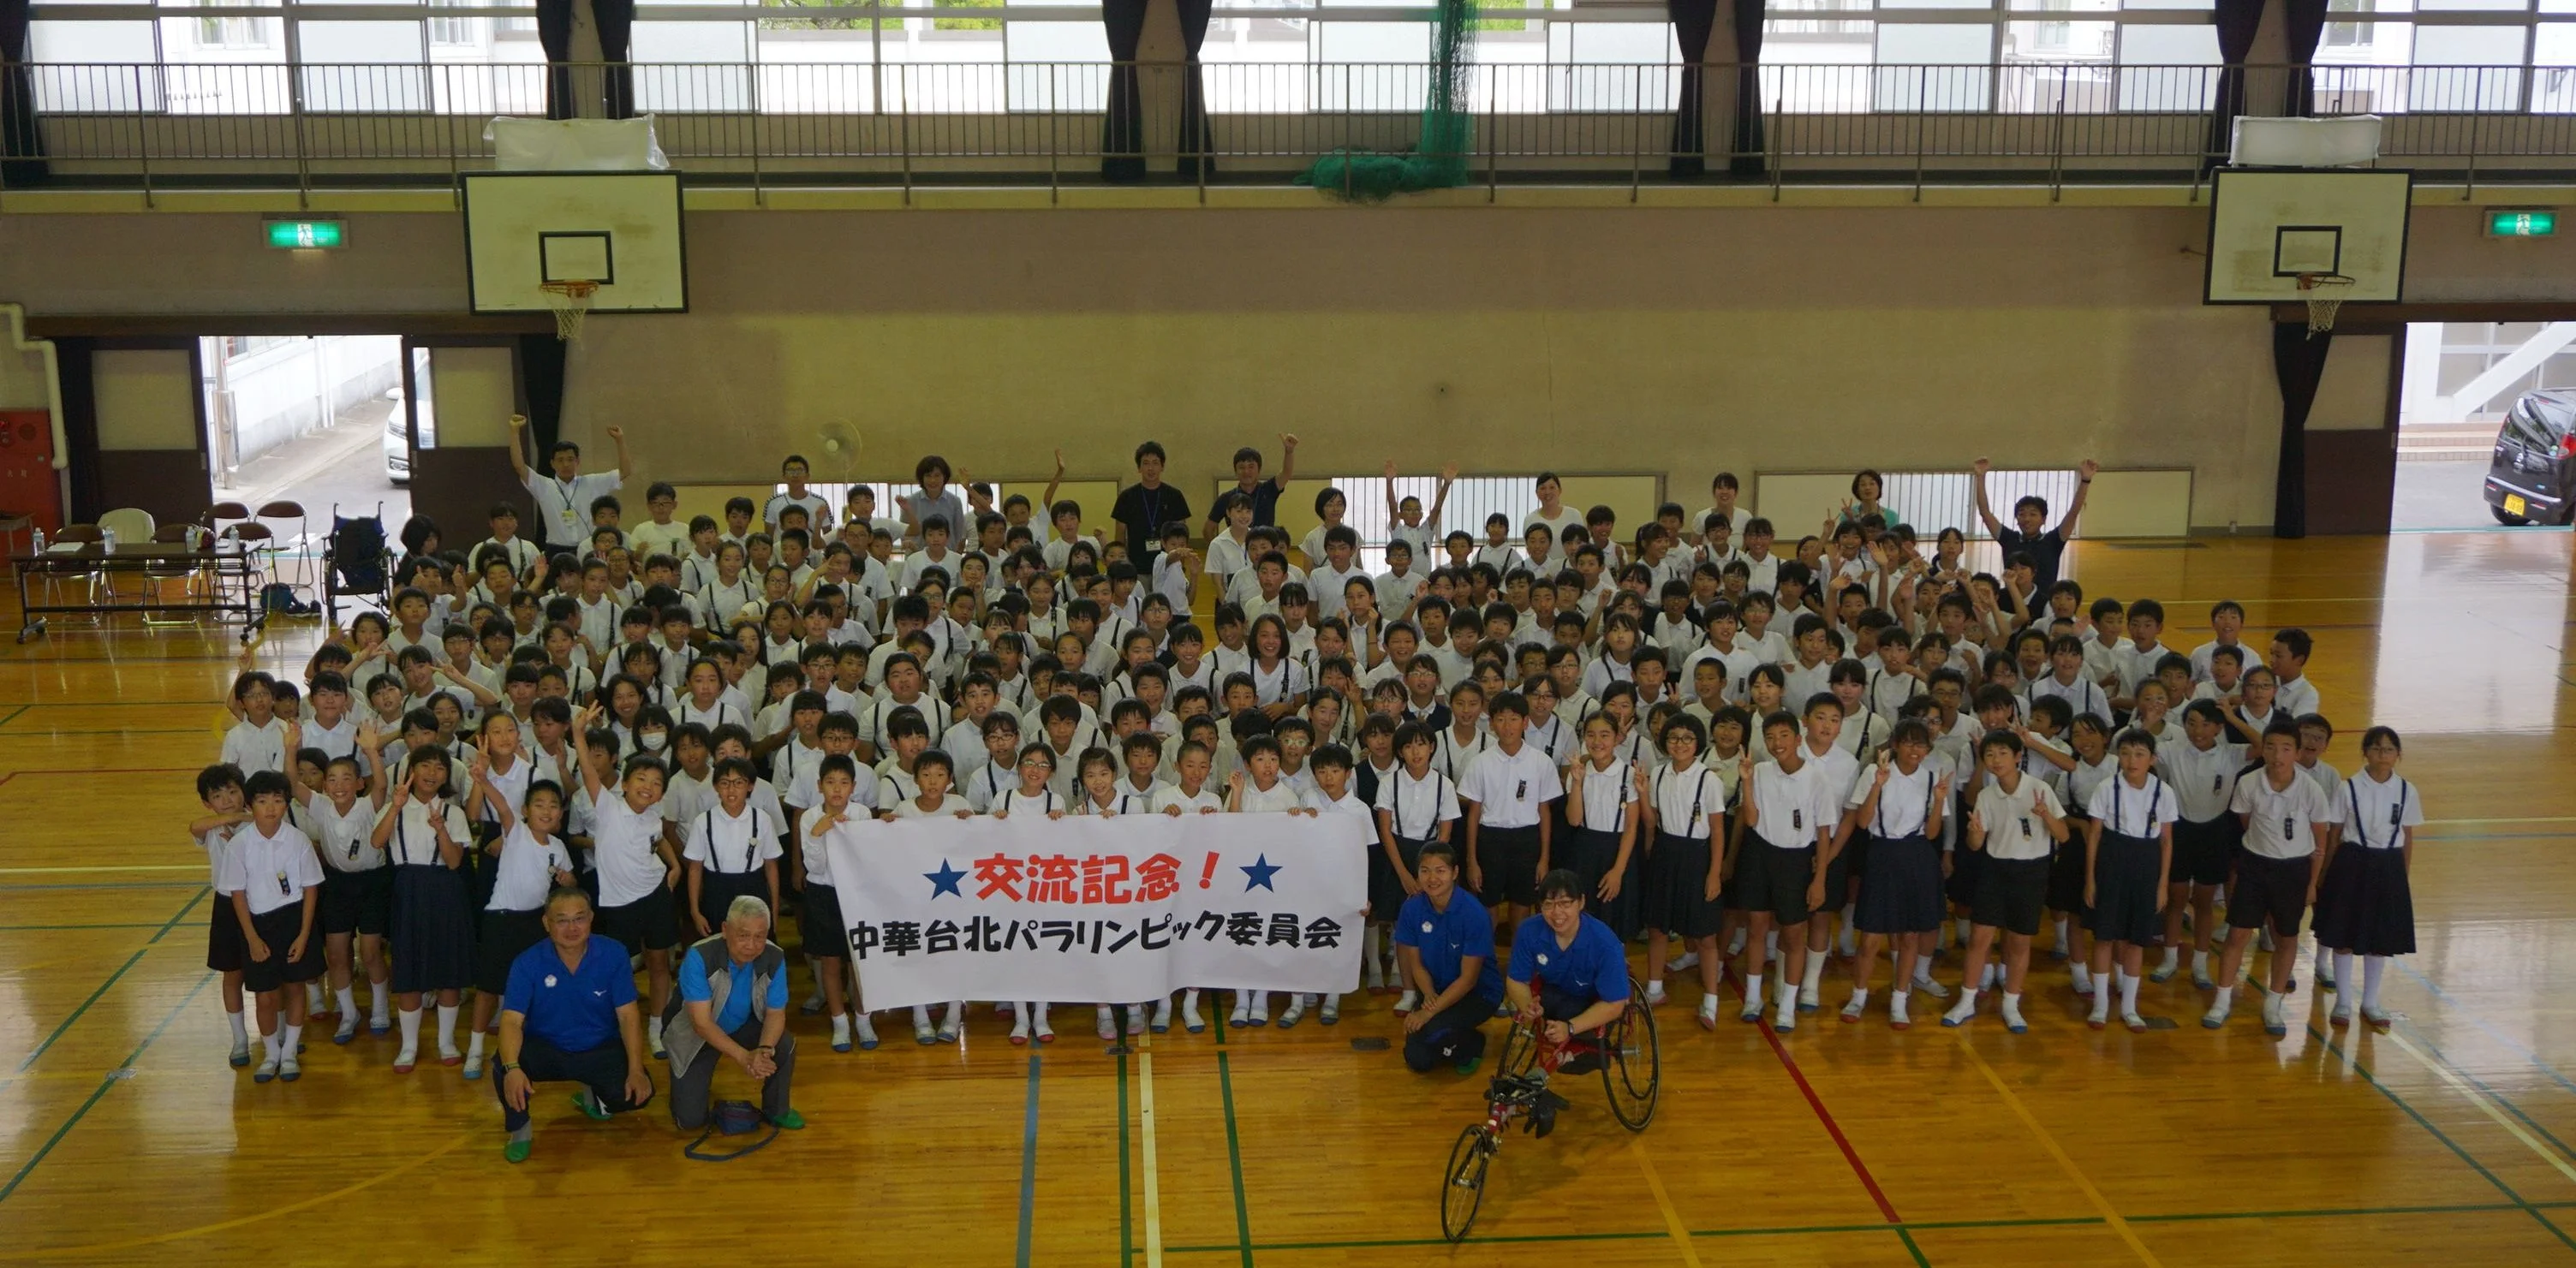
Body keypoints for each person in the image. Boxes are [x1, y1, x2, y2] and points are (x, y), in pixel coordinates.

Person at [494, 887, 657, 1163]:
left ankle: (592, 1093)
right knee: (502, 1065)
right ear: (547, 923)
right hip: (547, 1048)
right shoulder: (527, 962)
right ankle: (520, 1129)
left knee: (638, 1095)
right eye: (562, 920)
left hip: (598, 1047)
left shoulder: (614, 954)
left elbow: (629, 1016)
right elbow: (511, 1021)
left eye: (579, 918)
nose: (572, 928)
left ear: (591, 918)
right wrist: (512, 1068)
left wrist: (636, 1069)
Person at [2206, 719, 2337, 1036]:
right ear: (2262, 749)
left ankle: (2273, 1003)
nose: (2277, 755)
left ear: (2296, 752)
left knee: (2286, 937)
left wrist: (2310, 883)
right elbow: (2246, 820)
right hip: (2255, 866)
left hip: (2293, 871)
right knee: (2238, 934)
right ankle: (2221, 1001)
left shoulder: (2311, 789)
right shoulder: (2249, 783)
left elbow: (2320, 842)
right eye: (2271, 747)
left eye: (2286, 748)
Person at [1502, 869, 1634, 1139]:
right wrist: (1528, 1005)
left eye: (1565, 904)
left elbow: (1615, 1004)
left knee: (1572, 1031)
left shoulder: (1604, 942)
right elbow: (1516, 980)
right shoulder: (1530, 930)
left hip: (1591, 1005)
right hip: (1554, 996)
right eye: (1548, 905)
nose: (1556, 913)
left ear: (1581, 903)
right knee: (1552, 1012)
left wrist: (1570, 1028)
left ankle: (1566, 1058)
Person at [667, 896, 807, 1134]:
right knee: (689, 1121)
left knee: (783, 1044)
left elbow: (775, 1013)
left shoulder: (775, 956)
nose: (751, 945)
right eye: (743, 935)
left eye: (759, 936)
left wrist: (763, 1051)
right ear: (725, 930)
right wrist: (744, 1057)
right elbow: (701, 1023)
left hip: (741, 1024)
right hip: (696, 1033)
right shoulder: (699, 955)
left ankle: (777, 1109)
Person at [2313, 726, 2419, 1032]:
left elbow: (2407, 835)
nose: (2382, 755)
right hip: (2351, 863)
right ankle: (2343, 1000)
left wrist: (2402, 875)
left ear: (2398, 755)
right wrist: (2324, 875)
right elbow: (2334, 834)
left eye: (2388, 749)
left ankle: (2370, 1001)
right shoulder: (2348, 788)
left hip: (2389, 867)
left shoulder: (2406, 790)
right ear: (2365, 753)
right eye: (2375, 748)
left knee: (2380, 940)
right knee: (2344, 936)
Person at [224, 771, 325, 1083]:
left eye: (278, 801)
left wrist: (305, 934)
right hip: (258, 924)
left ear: (286, 804)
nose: (270, 807)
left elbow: (310, 889)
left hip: (294, 920)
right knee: (265, 996)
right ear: (250, 804)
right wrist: (252, 937)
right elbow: (237, 894)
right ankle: (270, 1054)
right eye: (262, 801)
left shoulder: (298, 841)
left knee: (295, 988)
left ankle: (290, 1051)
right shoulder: (240, 844)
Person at [1393, 843, 1501, 1074]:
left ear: (1454, 873)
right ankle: (1455, 1039)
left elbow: (1468, 979)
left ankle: (1473, 1043)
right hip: (1435, 987)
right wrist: (1430, 996)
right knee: (1418, 1060)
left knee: (1430, 1032)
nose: (1432, 878)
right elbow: (1417, 964)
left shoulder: (1473, 913)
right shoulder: (1412, 908)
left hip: (1477, 994)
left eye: (1440, 871)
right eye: (1425, 871)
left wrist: (1428, 1011)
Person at [1970, 456, 2097, 594]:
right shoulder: (2009, 538)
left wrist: (2085, 481)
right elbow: (1985, 512)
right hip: (2013, 602)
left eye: (2033, 514)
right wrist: (1980, 477)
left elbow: (2073, 512)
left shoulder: (2053, 540)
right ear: (2016, 519)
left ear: (2043, 519)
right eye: (2022, 514)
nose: (2027, 519)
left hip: (2044, 605)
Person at [507, 414, 634, 551]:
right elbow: (519, 466)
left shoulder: (592, 482)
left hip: (588, 547)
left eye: (570, 459)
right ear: (552, 463)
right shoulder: (544, 485)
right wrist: (514, 432)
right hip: (556, 548)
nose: (566, 464)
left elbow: (625, 471)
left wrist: (620, 440)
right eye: (560, 460)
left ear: (577, 462)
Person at [1111, 441, 1190, 567]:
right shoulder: (1126, 497)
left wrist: (1180, 565)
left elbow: (1182, 535)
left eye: (1155, 463)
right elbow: (1120, 535)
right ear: (1139, 467)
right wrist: (1122, 566)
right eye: (1146, 463)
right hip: (1136, 566)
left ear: (1162, 466)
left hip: (1168, 565)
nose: (1151, 468)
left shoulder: (1174, 496)